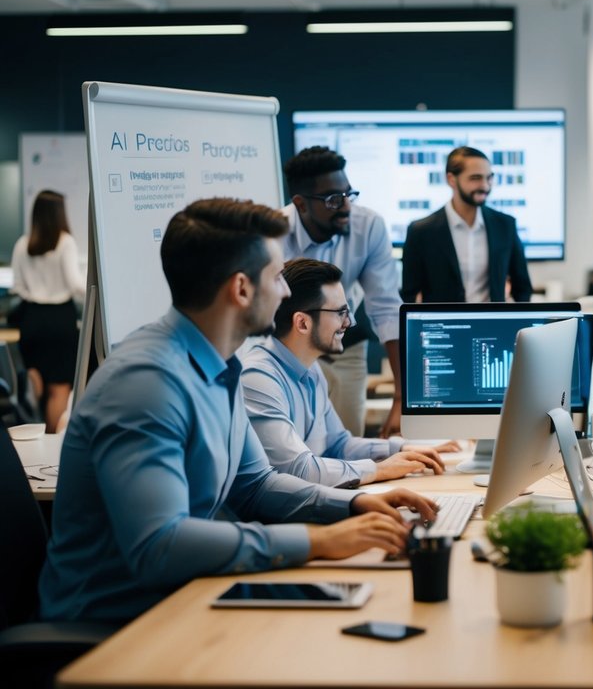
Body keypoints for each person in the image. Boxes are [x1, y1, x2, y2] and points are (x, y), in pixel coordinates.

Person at [39, 198, 437, 623]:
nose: (285, 292)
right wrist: (318, 542)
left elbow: (255, 485)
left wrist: (354, 506)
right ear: (241, 289)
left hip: (188, 596)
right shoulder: (147, 383)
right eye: (276, 277)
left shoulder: (221, 366)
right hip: (118, 624)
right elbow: (160, 546)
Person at [243, 258, 448, 487]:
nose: (349, 323)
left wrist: (400, 448)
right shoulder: (258, 378)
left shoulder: (311, 368)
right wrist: (379, 469)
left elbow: (338, 444)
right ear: (302, 323)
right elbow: (297, 469)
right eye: (340, 312)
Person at [282, 146, 402, 439]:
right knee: (295, 444)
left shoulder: (368, 226)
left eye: (349, 194)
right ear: (301, 204)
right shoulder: (275, 233)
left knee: (346, 440)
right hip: (288, 353)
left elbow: (386, 308)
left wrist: (401, 398)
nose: (347, 206)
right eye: (334, 200)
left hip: (344, 346)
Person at [401, 146, 533, 304]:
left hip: (492, 325)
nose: (485, 185)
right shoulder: (421, 231)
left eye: (489, 178)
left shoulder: (505, 225)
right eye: (476, 178)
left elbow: (522, 288)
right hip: (443, 326)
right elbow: (409, 294)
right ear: (451, 179)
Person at [10, 190, 85, 432]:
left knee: (37, 386)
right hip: (59, 321)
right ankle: (51, 447)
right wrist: (97, 292)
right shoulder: (65, 242)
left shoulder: (22, 244)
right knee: (59, 389)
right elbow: (75, 283)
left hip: (31, 320)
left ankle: (30, 435)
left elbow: (18, 287)